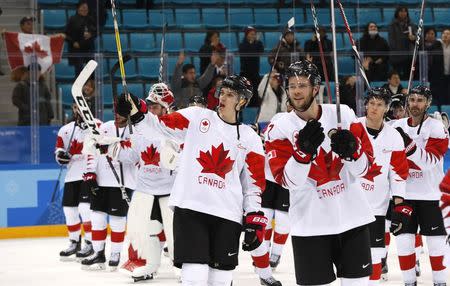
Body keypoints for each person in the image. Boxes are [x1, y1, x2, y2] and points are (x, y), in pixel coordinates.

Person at [115, 75, 267, 286]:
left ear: (242, 101)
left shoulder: (249, 138)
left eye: (230, 95)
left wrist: (253, 216)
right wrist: (137, 110)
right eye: (221, 92)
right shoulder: (197, 117)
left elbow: (253, 185)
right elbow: (160, 126)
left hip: (228, 215)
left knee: (220, 280)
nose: (223, 97)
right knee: (194, 276)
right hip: (191, 210)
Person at [264, 60, 376, 285]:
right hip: (310, 226)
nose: (296, 90)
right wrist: (302, 155)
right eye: (292, 85)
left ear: (315, 88)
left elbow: (366, 169)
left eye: (302, 85)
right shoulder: (279, 129)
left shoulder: (343, 114)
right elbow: (288, 182)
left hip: (352, 220)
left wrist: (352, 154)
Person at [391, 86, 449, 286]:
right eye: (412, 99)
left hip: (432, 196)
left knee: (435, 245)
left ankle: (440, 283)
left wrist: (407, 144)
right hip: (404, 194)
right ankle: (409, 283)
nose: (415, 103)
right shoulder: (397, 125)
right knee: (404, 242)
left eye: (420, 100)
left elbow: (428, 162)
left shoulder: (436, 127)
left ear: (428, 103)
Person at [356, 87, 411, 285]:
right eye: (371, 103)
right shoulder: (353, 128)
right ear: (365, 105)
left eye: (379, 104)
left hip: (377, 208)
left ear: (387, 108)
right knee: (350, 258)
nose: (374, 108)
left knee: (375, 255)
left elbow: (398, 174)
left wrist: (398, 205)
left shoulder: (394, 136)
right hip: (350, 205)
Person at [80, 113, 136, 271]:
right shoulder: (105, 127)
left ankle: (115, 254)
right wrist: (90, 173)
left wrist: (112, 146)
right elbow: (91, 148)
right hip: (101, 180)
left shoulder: (135, 130)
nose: (118, 116)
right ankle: (98, 253)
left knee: (117, 219)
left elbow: (134, 155)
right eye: (117, 112)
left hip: (122, 182)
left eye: (122, 113)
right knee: (96, 217)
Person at [55, 103, 100, 262]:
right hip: (71, 175)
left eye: (81, 107)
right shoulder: (65, 130)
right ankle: (74, 241)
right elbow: (59, 151)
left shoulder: (97, 125)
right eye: (75, 107)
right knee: (69, 210)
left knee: (85, 209)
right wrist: (60, 156)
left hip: (89, 174)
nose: (78, 110)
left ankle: (90, 242)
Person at [65, 1, 96, 76]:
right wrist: (73, 42)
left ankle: (91, 85)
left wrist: (91, 34)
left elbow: (95, 31)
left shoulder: (90, 19)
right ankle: (79, 86)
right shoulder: (72, 19)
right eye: (83, 8)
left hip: (88, 48)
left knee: (92, 67)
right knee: (79, 68)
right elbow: (66, 34)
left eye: (86, 9)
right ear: (78, 9)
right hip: (77, 49)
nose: (85, 10)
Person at [388, 6, 417, 79]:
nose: (403, 13)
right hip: (397, 57)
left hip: (409, 56)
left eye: (405, 11)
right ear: (397, 13)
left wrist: (414, 38)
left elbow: (417, 39)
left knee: (408, 77)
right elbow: (391, 41)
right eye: (401, 11)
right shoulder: (392, 25)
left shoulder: (411, 25)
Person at [239, 26, 264, 104]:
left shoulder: (258, 43)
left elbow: (261, 50)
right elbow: (247, 54)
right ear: (247, 35)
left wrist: (256, 42)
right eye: (251, 34)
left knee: (255, 91)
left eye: (254, 34)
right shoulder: (242, 45)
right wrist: (252, 45)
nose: (253, 36)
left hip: (255, 72)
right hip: (245, 72)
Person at [429, 28, 450, 109]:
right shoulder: (437, 44)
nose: (445, 35)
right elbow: (428, 49)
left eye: (448, 34)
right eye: (444, 33)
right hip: (439, 76)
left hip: (449, 75)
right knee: (440, 96)